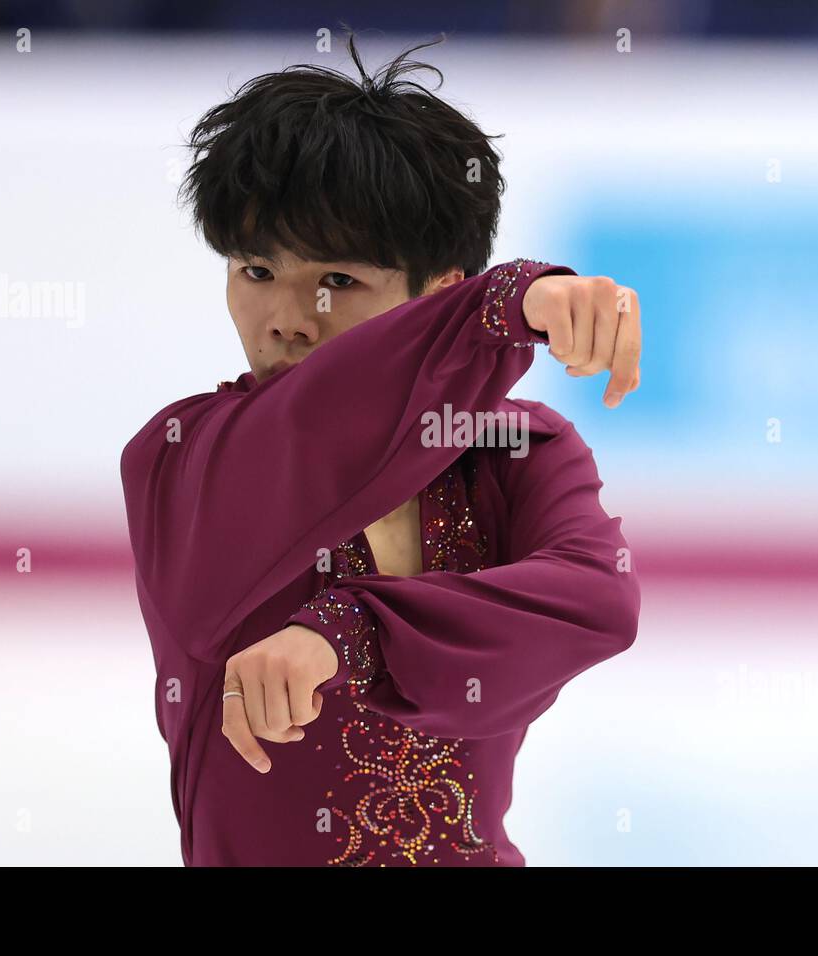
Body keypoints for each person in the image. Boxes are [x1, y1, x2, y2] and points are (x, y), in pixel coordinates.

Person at [120, 34, 643, 866]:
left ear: (435, 293)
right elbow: (329, 424)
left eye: (338, 281)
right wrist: (503, 306)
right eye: (255, 271)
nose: (287, 316)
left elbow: (597, 603)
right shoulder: (183, 463)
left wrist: (352, 631)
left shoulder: (514, 453)